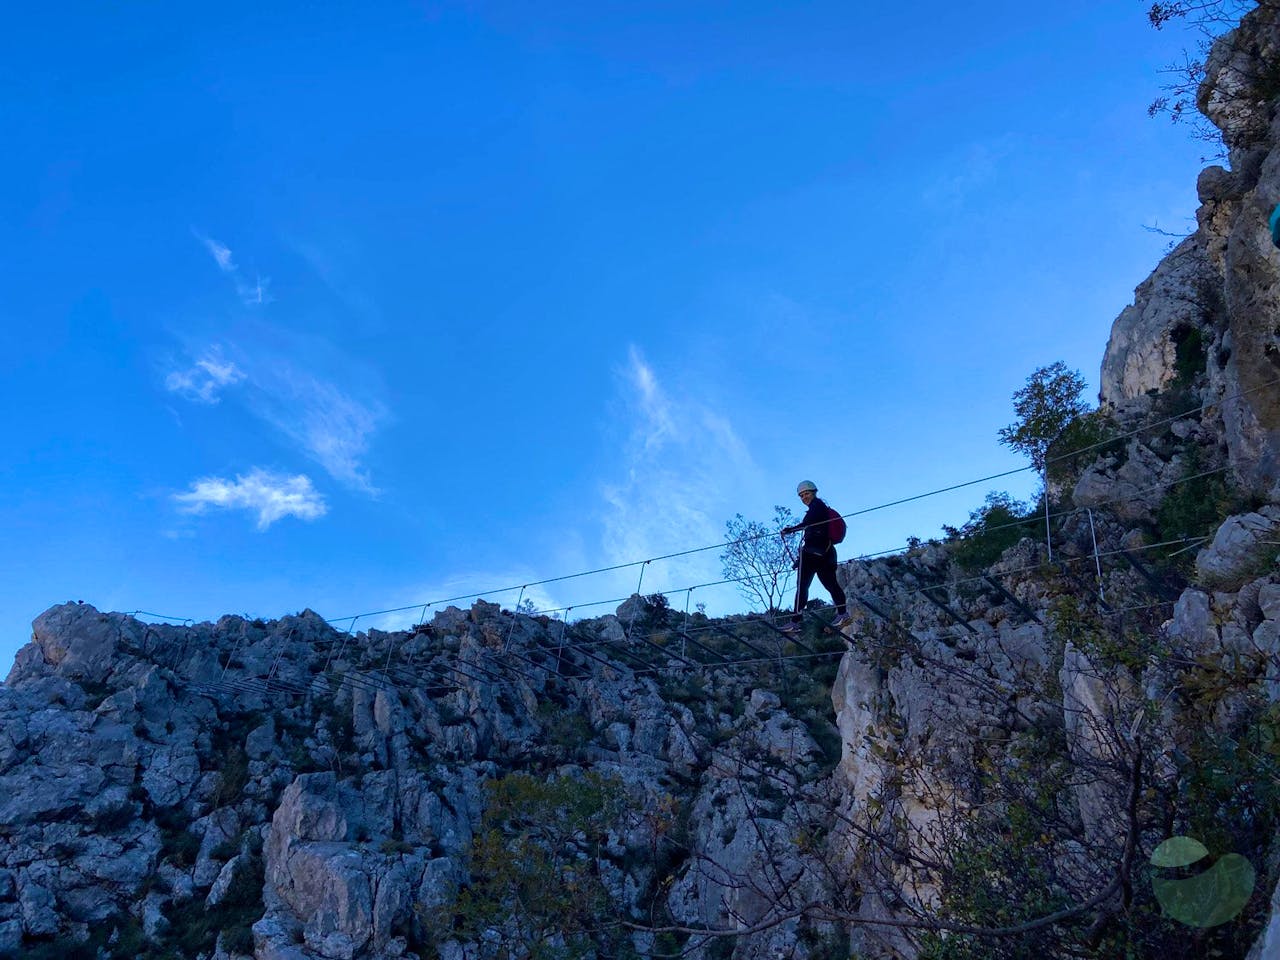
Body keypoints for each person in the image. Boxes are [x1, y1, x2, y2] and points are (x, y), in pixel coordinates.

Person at [780, 480, 851, 632]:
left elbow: (809, 523)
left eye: (806, 494)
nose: (804, 497)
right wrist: (798, 561)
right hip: (826, 552)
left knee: (802, 586)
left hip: (813, 553)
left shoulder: (816, 506)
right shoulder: (821, 508)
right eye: (801, 495)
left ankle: (795, 621)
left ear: (814, 493)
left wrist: (791, 529)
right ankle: (843, 614)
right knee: (831, 584)